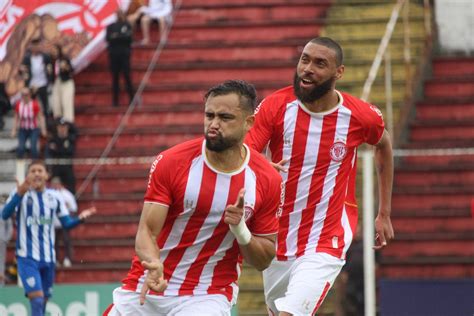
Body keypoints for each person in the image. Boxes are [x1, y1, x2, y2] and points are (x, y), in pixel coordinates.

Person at [104, 80, 283, 316]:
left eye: (225, 117)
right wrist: (153, 261)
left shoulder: (266, 179)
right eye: (209, 115)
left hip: (206, 295)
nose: (214, 124)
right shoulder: (172, 162)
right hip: (148, 284)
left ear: (249, 122)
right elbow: (147, 231)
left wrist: (240, 229)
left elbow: (264, 260)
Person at [245, 37, 395, 316]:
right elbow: (246, 151)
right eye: (305, 59)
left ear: (339, 72)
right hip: (277, 235)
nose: (308, 68)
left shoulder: (360, 116)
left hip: (327, 235)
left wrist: (383, 212)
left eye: (320, 63)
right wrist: (261, 166)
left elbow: (383, 145)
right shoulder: (275, 106)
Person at [1, 160, 96, 316]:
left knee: (43, 303)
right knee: (37, 299)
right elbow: (4, 215)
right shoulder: (20, 193)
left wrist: (80, 218)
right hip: (26, 257)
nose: (37, 173)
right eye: (33, 171)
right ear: (28, 176)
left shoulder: (55, 197)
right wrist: (18, 194)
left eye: (40, 170)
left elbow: (66, 223)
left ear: (47, 175)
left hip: (48, 258)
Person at [106, 9, 134, 107]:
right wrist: (120, 37)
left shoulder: (127, 25)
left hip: (124, 56)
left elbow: (128, 38)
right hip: (114, 56)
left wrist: (117, 37)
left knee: (127, 77)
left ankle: (132, 99)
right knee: (115, 78)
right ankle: (115, 101)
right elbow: (108, 39)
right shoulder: (111, 26)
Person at [11, 87, 47, 159]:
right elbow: (16, 118)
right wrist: (14, 130)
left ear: (30, 95)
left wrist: (43, 129)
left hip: (33, 129)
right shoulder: (18, 105)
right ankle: (20, 165)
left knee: (33, 147)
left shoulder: (34, 104)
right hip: (23, 129)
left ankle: (35, 162)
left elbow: (40, 117)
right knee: (20, 148)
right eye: (23, 95)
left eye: (26, 94)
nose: (25, 96)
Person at [21, 38, 54, 116]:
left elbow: (50, 70)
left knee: (45, 105)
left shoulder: (46, 57)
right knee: (30, 106)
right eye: (34, 46)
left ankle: (45, 123)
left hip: (43, 83)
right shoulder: (27, 58)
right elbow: (23, 71)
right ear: (31, 47)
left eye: (38, 45)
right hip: (31, 84)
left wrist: (50, 80)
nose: (36, 47)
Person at [51, 177, 77, 268]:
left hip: (64, 222)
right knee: (54, 242)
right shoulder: (49, 194)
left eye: (56, 184)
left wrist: (68, 206)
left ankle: (67, 258)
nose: (55, 186)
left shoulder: (67, 195)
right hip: (53, 223)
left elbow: (74, 208)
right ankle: (56, 259)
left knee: (66, 241)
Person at [47, 117, 77, 194]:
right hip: (56, 166)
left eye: (64, 127)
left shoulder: (70, 139)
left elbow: (71, 151)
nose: (62, 129)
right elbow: (50, 152)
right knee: (54, 184)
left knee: (71, 184)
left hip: (67, 166)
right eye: (60, 127)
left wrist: (57, 149)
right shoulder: (53, 139)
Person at [51, 45, 75, 123]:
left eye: (55, 51)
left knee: (66, 103)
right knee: (56, 104)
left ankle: (68, 123)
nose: (54, 53)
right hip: (56, 83)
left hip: (66, 82)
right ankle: (58, 123)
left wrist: (66, 67)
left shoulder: (65, 59)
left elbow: (71, 70)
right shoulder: (50, 60)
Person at [0, 205, 13, 286]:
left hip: (1, 241)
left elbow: (9, 225)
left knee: (1, 263)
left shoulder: (3, 208)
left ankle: (1, 284)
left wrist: (6, 239)